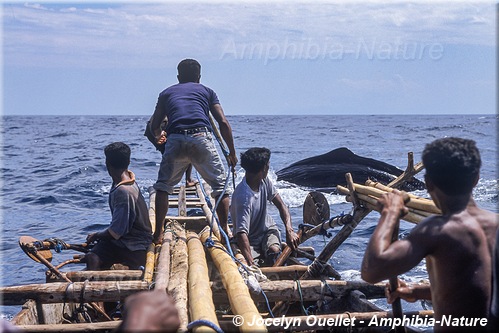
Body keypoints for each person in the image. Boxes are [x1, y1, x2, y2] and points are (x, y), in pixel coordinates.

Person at [361, 137, 498, 332]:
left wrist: (390, 213)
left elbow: (371, 270)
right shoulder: (495, 224)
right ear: (476, 178)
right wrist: (416, 291)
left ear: (428, 183)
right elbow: (479, 290)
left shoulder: (437, 230)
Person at [150, 59, 237, 244]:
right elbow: (222, 123)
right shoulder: (207, 91)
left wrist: (159, 135)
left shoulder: (166, 93)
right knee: (221, 187)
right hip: (200, 137)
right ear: (199, 77)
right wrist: (232, 152)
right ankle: (223, 233)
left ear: (178, 77)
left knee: (163, 187)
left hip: (176, 139)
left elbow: (154, 124)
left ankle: (157, 234)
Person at [85, 142, 153, 270]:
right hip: (133, 239)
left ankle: (92, 284)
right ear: (128, 161)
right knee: (98, 250)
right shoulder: (129, 178)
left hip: (134, 245)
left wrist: (96, 235)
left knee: (92, 257)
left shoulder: (123, 191)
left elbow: (116, 232)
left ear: (107, 164)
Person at [230, 147, 300, 267]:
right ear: (263, 169)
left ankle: (272, 267)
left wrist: (289, 230)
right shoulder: (244, 198)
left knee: (274, 250)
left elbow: (282, 205)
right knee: (252, 264)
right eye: (268, 165)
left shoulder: (264, 181)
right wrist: (251, 264)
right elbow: (242, 234)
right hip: (250, 239)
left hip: (267, 230)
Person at [144, 116, 197, 187]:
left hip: (155, 129)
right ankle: (187, 180)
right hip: (157, 129)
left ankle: (164, 181)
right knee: (187, 150)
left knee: (169, 153)